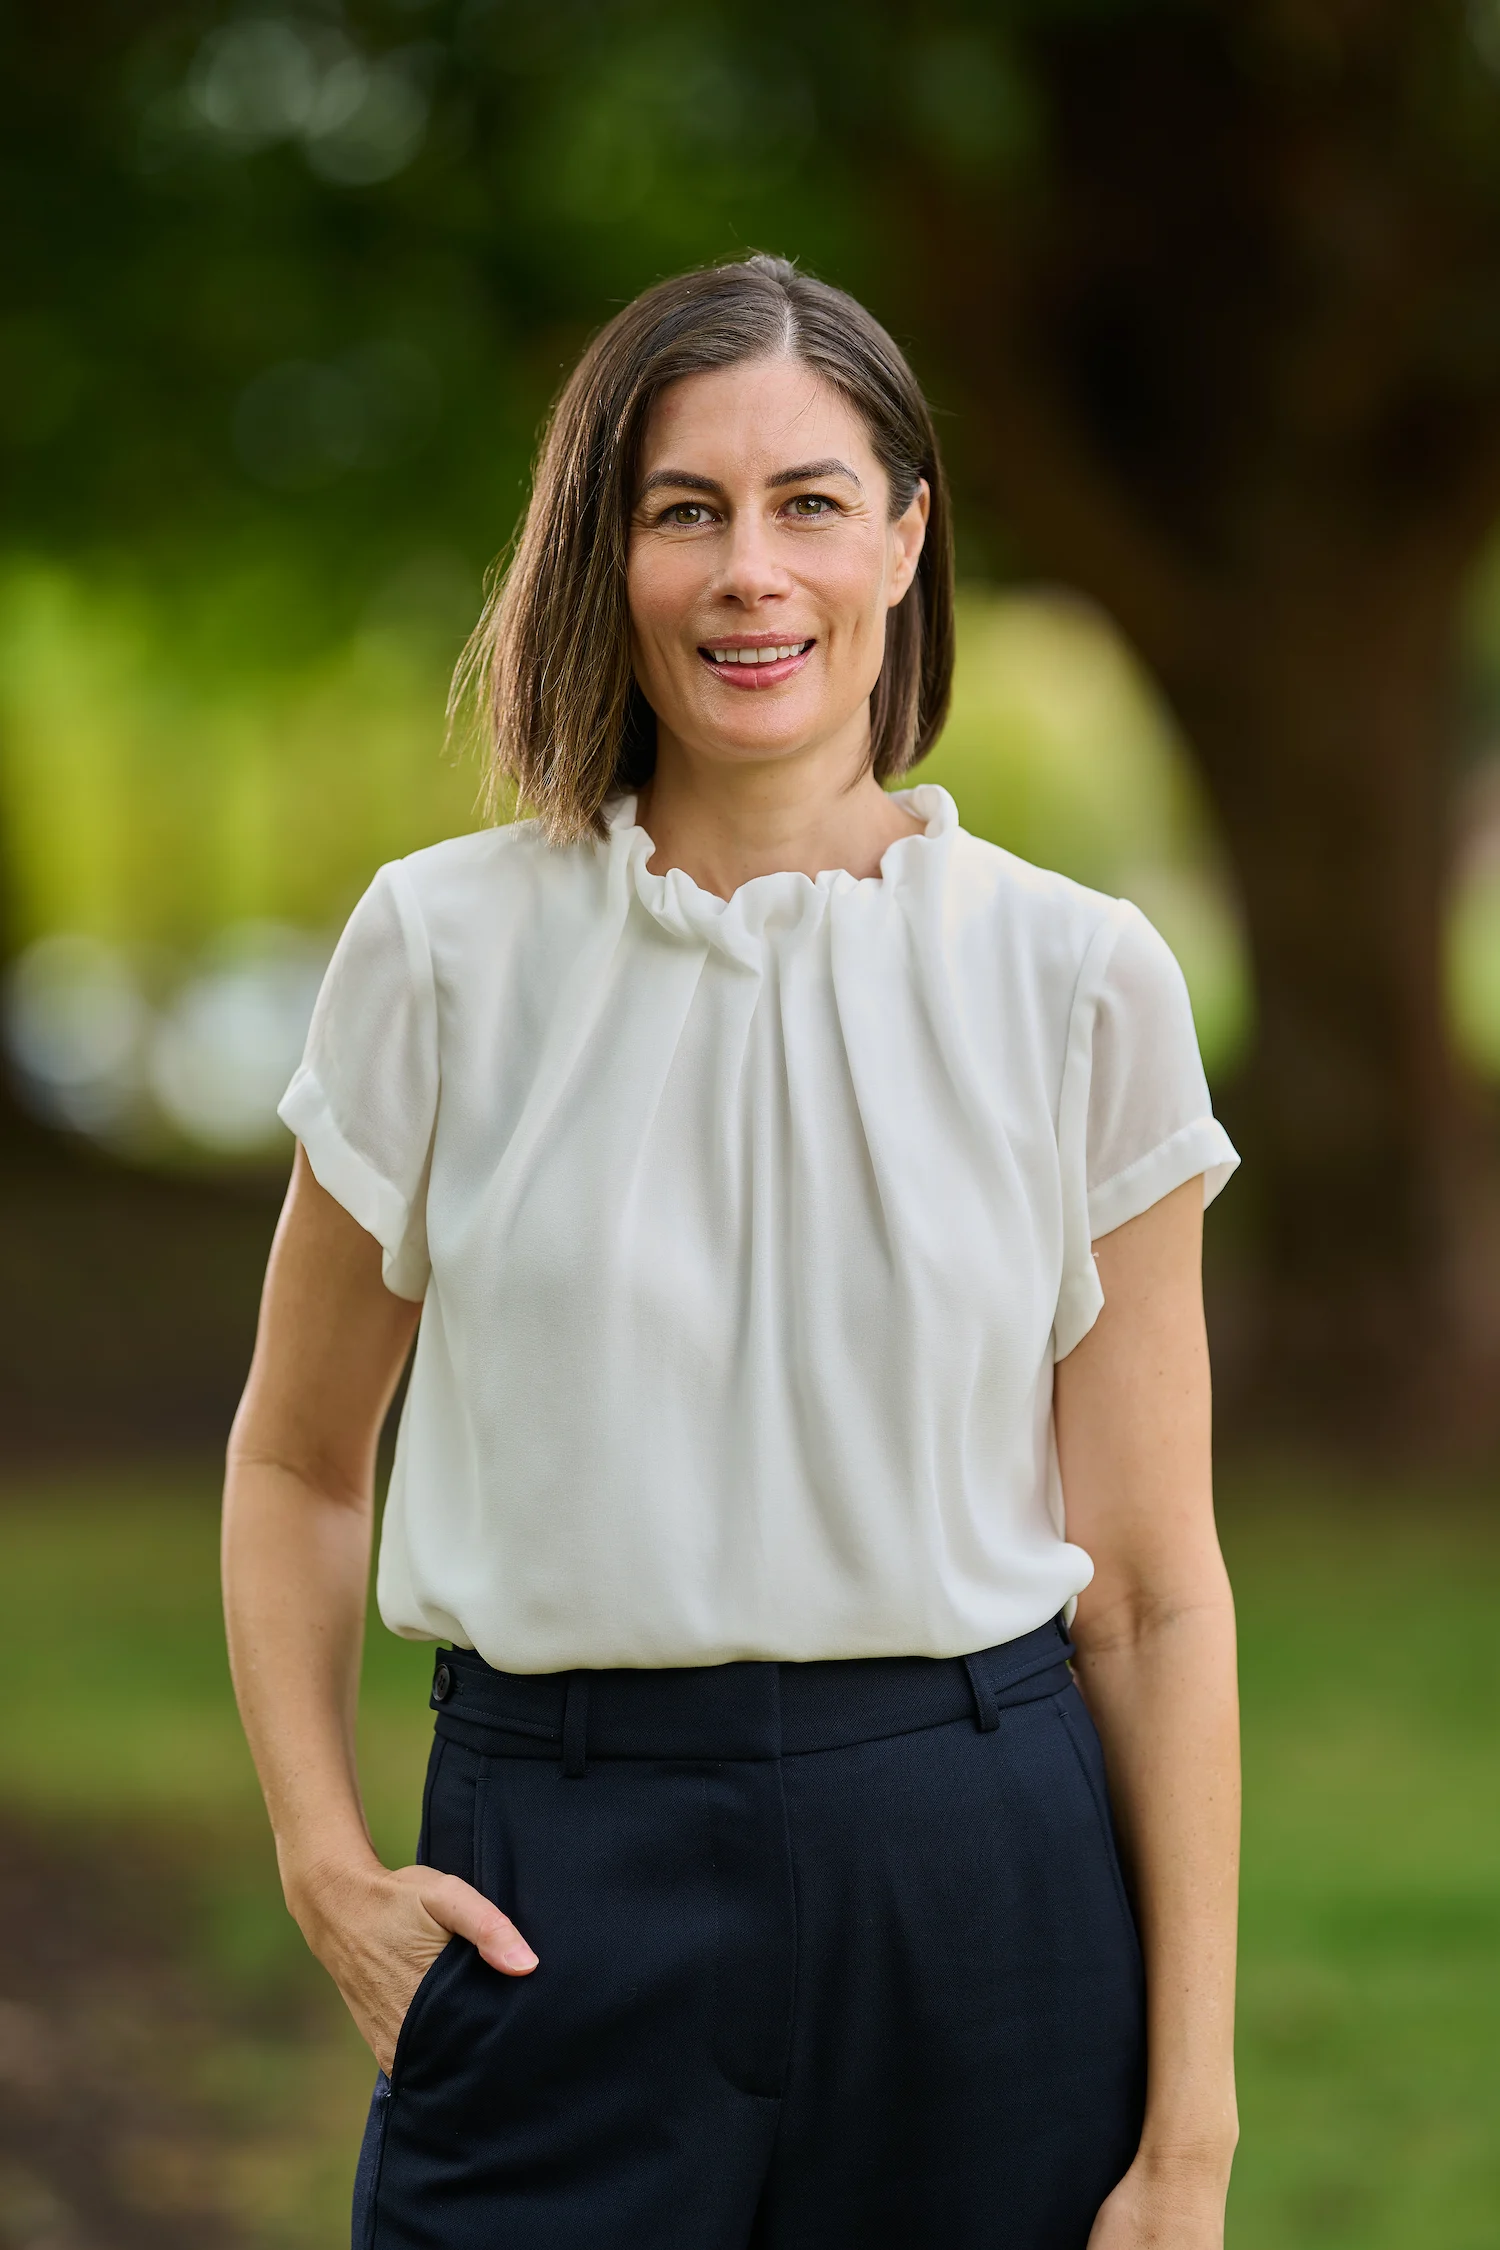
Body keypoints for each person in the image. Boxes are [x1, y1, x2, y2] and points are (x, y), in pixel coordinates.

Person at [223, 253, 1241, 2250]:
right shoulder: (441, 954)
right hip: (554, 1893)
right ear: (606, 553)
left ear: (906, 539)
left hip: (983, 1896)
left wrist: (1184, 2134)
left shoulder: (1080, 981)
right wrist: (324, 1865)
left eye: (809, 505)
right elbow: (296, 1461)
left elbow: (1153, 1599)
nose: (749, 573)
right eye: (685, 511)